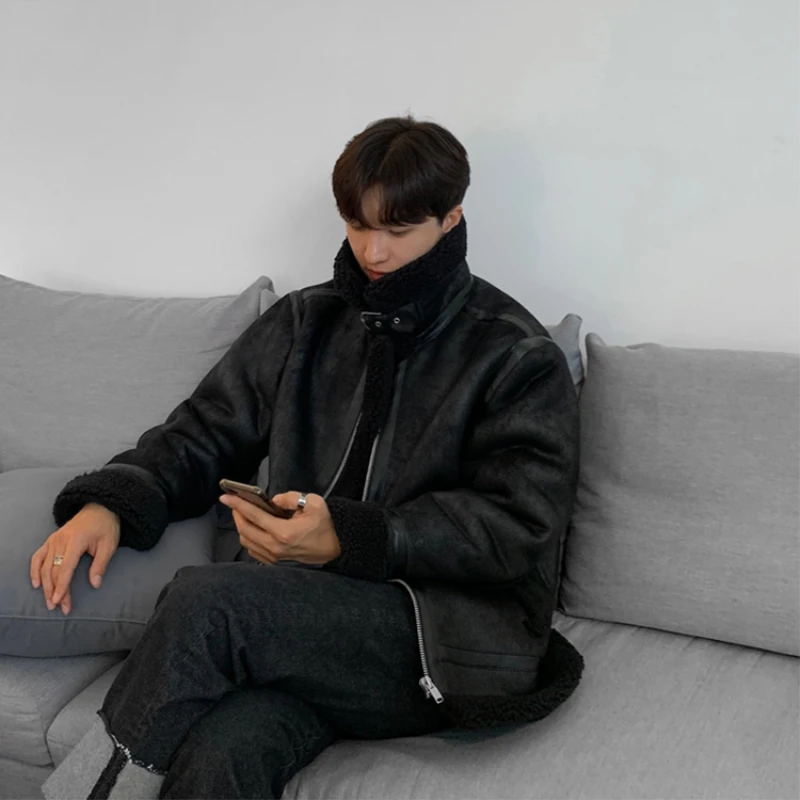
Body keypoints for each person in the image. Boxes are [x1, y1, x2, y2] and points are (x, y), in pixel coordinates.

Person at [34, 115, 584, 800]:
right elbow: (204, 430)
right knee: (222, 754)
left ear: (452, 219)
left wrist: (350, 537)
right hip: (306, 627)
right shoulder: (306, 322)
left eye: (399, 229)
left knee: (210, 603)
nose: (373, 251)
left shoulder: (515, 355)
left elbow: (517, 527)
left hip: (443, 638)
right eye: (357, 224)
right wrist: (113, 502)